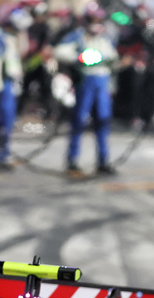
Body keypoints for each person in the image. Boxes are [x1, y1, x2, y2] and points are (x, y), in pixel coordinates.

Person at [55, 1, 116, 176]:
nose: (96, 23)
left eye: (99, 19)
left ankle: (103, 161)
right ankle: (72, 160)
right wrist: (79, 57)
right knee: (79, 121)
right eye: (93, 19)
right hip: (86, 82)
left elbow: (113, 57)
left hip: (103, 83)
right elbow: (60, 51)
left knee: (103, 122)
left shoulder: (105, 38)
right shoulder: (78, 36)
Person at [0, 5, 29, 169]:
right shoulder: (0, 38)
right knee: (6, 121)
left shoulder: (11, 37)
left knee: (3, 121)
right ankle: (2, 153)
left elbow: (23, 51)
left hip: (11, 83)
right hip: (3, 85)